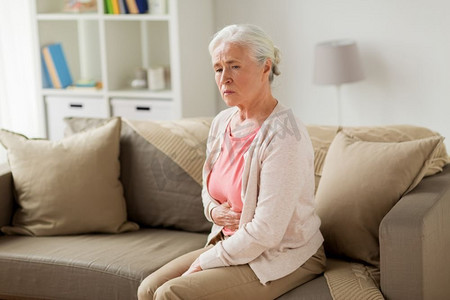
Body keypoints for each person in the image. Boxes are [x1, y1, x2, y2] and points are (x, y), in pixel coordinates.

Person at [137, 24, 326, 300]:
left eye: (234, 66)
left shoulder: (285, 135)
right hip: (233, 243)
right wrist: (215, 213)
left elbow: (267, 233)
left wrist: (204, 262)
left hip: (280, 254)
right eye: (218, 68)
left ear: (265, 68)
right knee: (148, 289)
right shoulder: (221, 122)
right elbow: (208, 190)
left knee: (171, 294)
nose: (224, 78)